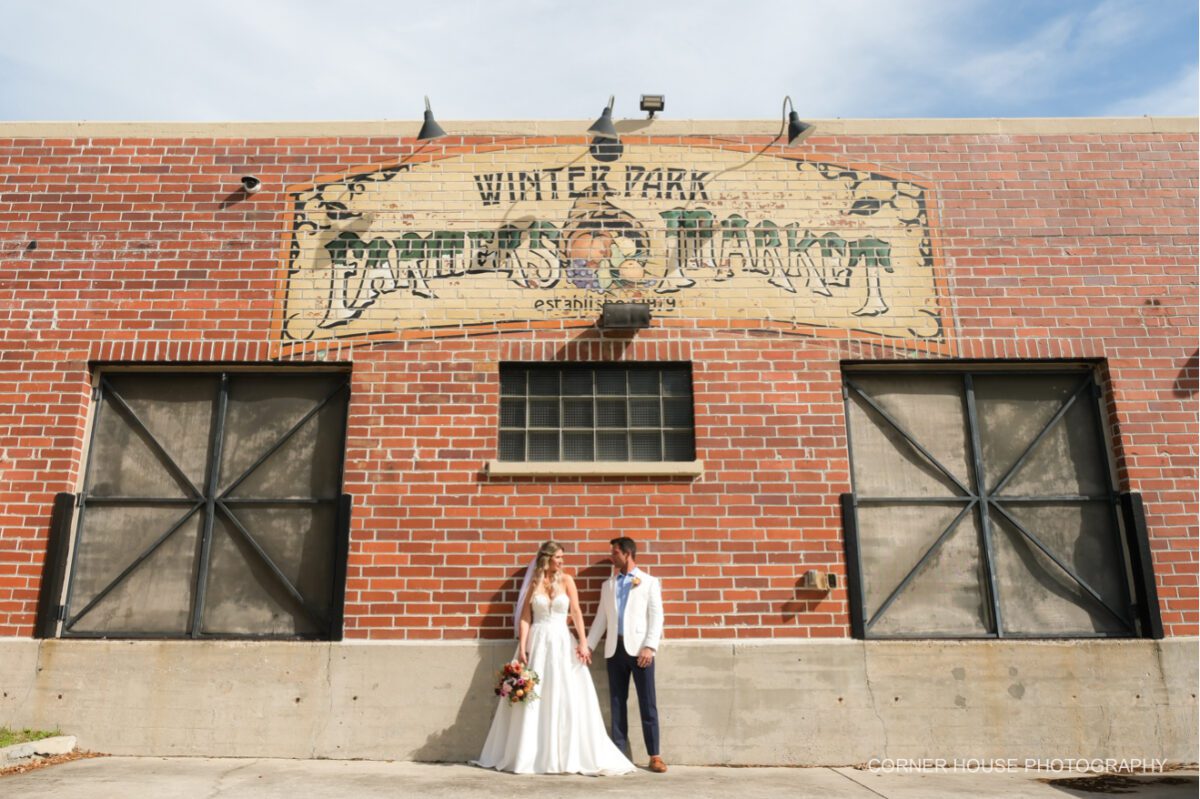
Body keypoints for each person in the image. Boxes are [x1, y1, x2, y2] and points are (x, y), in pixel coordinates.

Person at [473, 541, 636, 775]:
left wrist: (582, 642)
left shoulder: (568, 580)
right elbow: (526, 617)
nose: (561, 561)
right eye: (558, 557)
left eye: (562, 558)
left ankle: (564, 754)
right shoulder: (534, 583)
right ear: (547, 558)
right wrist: (522, 647)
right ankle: (531, 754)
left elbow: (576, 612)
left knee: (565, 694)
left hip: (561, 641)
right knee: (534, 695)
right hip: (537, 642)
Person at [586, 536, 667, 773]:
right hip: (615, 650)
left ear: (627, 554)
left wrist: (650, 647)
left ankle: (655, 755)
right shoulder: (607, 585)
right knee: (617, 703)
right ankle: (619, 754)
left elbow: (657, 616)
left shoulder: (649, 582)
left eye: (615, 553)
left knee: (647, 703)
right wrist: (588, 646)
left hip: (640, 651)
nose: (612, 557)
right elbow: (601, 619)